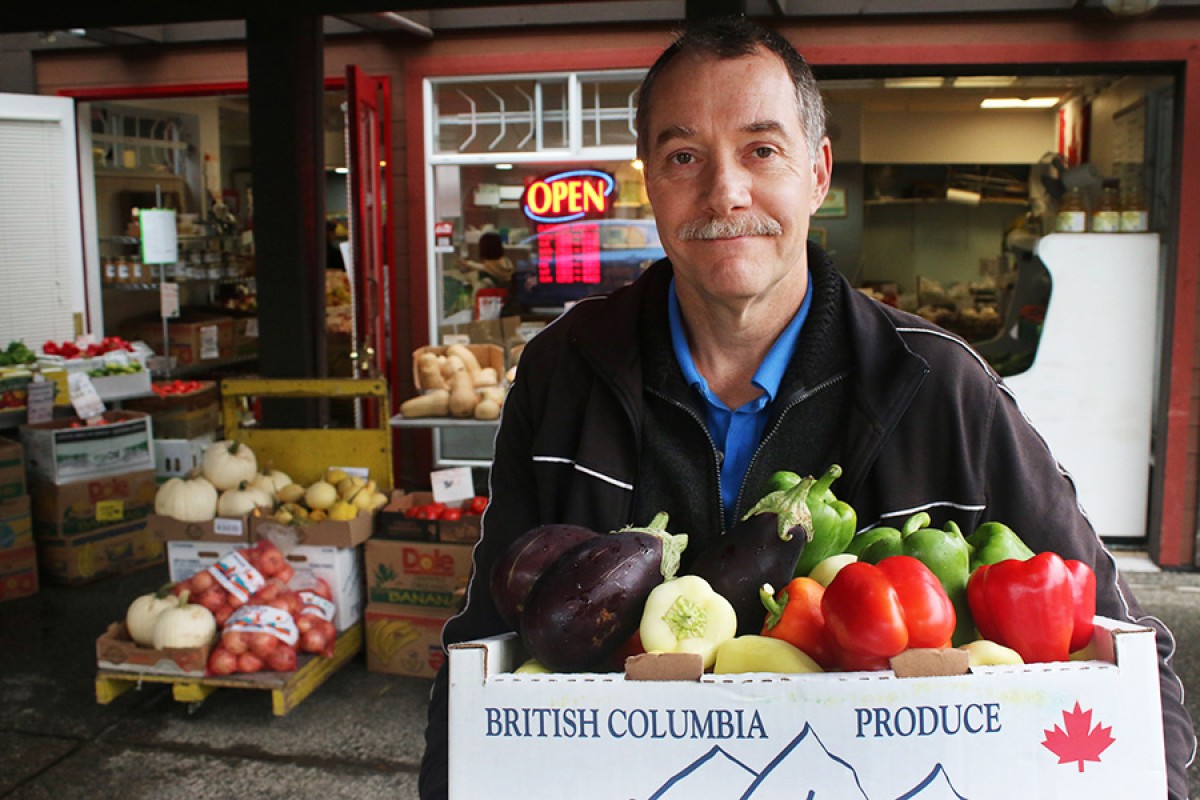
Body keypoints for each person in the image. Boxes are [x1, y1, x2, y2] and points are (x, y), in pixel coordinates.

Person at [419, 17, 1195, 799]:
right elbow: (486, 637)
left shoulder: (939, 386)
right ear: (650, 179)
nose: (725, 192)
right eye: (684, 156)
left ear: (818, 173)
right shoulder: (564, 371)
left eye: (762, 150)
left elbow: (1122, 651)